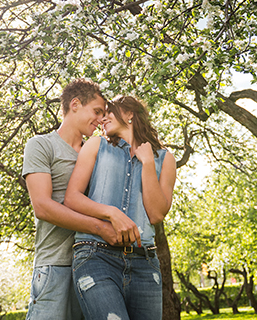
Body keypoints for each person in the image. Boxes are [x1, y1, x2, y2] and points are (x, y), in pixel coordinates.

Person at [21, 79, 135, 320]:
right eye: (96, 111)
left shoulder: (98, 151)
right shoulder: (41, 145)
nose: (101, 119)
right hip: (56, 264)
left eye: (104, 114)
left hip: (96, 263)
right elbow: (42, 206)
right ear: (75, 104)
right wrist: (100, 227)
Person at [64, 95, 177, 320]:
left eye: (109, 112)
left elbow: (155, 214)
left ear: (129, 114)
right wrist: (111, 213)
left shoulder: (165, 159)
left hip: (144, 263)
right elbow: (72, 198)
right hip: (95, 256)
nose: (102, 118)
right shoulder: (97, 145)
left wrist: (146, 163)